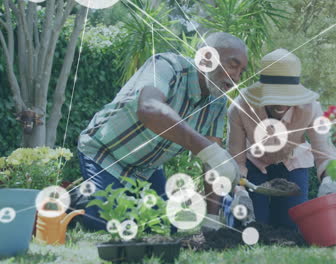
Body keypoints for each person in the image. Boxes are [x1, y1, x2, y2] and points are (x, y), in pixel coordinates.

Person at [75, 32, 248, 231]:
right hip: (105, 155)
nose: (236, 77)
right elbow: (149, 108)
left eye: (241, 72)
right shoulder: (167, 66)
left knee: (165, 227)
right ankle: (73, 203)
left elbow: (213, 164)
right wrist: (209, 150)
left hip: (146, 171)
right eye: (233, 65)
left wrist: (211, 218)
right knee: (107, 223)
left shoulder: (217, 102)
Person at [225, 49, 336, 230]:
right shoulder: (240, 108)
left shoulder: (311, 108)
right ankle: (228, 207)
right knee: (251, 224)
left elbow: (324, 151)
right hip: (254, 166)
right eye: (275, 96)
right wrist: (239, 191)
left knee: (290, 226)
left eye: (287, 96)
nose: (281, 104)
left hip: (292, 162)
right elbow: (236, 158)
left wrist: (330, 181)